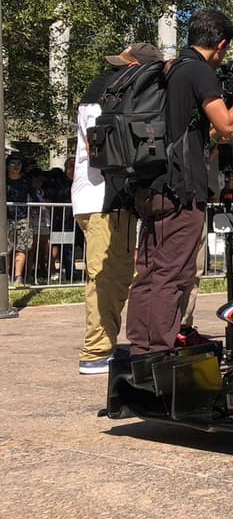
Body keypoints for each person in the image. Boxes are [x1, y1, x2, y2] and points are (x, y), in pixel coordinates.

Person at [127, 9, 233, 356]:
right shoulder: (199, 71)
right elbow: (227, 126)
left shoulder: (169, 69)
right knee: (173, 274)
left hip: (152, 183)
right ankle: (159, 352)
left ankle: (140, 350)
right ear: (221, 44)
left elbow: (199, 132)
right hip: (181, 189)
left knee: (148, 272)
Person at [71, 44, 154, 373]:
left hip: (93, 198)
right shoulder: (109, 94)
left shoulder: (100, 89)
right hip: (105, 199)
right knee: (109, 278)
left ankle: (103, 344)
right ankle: (96, 351)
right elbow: (101, 146)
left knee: (111, 276)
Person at [5, 154, 33, 285]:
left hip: (22, 218)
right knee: (5, 248)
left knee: (21, 248)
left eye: (18, 164)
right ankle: (5, 276)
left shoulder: (26, 181)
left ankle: (18, 278)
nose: (15, 167)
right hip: (5, 218)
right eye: (12, 164)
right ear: (7, 166)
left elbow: (35, 197)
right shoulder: (3, 180)